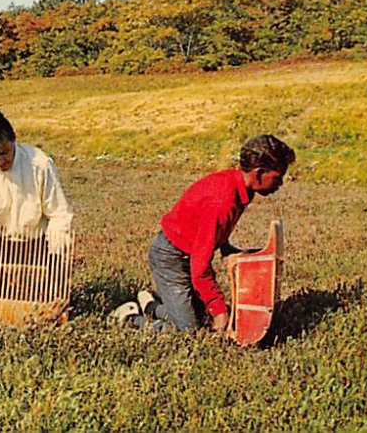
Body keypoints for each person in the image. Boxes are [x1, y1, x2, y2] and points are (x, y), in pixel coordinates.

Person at [109, 134, 296, 333]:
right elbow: (200, 267)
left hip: (185, 254)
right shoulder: (222, 201)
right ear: (258, 174)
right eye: (277, 177)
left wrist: (227, 249)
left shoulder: (241, 187)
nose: (281, 183)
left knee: (199, 318)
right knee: (188, 331)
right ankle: (130, 318)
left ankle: (152, 306)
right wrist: (219, 310)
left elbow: (214, 231)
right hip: (170, 259)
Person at [0, 110, 73, 268]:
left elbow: (58, 213)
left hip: (38, 246)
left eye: (4, 153)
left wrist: (55, 258)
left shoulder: (40, 164)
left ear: (13, 139)